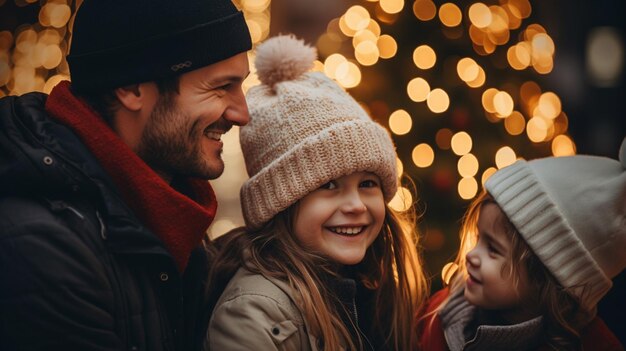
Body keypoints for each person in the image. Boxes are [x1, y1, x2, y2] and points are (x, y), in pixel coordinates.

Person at [0, 0, 251, 350]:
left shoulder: (170, 214)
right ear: (132, 88)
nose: (242, 113)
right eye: (221, 87)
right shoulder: (42, 249)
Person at [204, 35, 429, 351]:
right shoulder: (252, 314)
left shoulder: (373, 290)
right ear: (282, 202)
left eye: (368, 184)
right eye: (328, 185)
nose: (355, 205)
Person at [418, 139, 626, 351]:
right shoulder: (437, 314)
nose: (471, 254)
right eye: (479, 237)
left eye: (493, 249)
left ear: (543, 277)